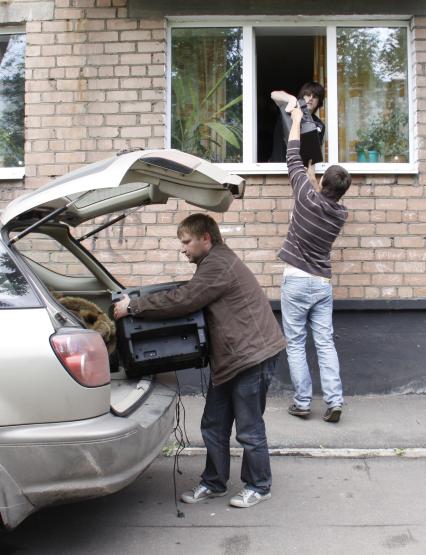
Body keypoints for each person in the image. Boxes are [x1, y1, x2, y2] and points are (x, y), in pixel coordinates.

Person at [114, 213, 286, 508]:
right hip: (233, 358)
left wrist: (134, 307)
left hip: (251, 355)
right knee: (214, 424)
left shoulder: (217, 264)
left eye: (186, 242)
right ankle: (214, 482)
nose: (183, 248)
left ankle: (259, 485)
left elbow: (184, 299)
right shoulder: (213, 262)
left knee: (248, 427)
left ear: (205, 238)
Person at [278, 101, 351, 423]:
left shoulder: (307, 197)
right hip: (322, 284)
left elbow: (292, 156)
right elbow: (319, 196)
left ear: (321, 185)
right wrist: (314, 179)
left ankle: (303, 403)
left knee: (295, 344)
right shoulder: (340, 214)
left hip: (296, 280)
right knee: (324, 343)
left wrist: (295, 119)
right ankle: (334, 401)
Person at [269, 81, 325, 162]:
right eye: (308, 94)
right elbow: (273, 94)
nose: (311, 98)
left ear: (319, 101)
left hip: (300, 169)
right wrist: (292, 99)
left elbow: (313, 154)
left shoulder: (319, 125)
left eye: (315, 96)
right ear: (302, 96)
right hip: (278, 167)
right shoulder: (288, 110)